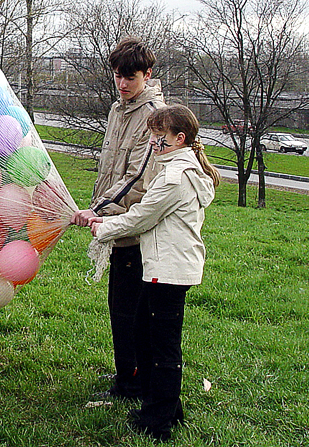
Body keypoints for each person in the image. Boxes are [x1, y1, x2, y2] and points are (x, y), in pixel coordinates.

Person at [89, 104, 220, 441]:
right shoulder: (175, 168)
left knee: (161, 345)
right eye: (152, 135)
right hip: (163, 267)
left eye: (160, 137)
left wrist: (101, 226)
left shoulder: (176, 177)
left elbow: (142, 217)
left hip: (169, 270)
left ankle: (158, 420)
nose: (153, 143)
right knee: (145, 334)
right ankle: (164, 406)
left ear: (180, 138)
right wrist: (106, 221)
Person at [72, 37, 165, 399]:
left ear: (148, 74)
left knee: (131, 311)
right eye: (118, 76)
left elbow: (137, 176)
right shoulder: (117, 110)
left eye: (131, 77)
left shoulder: (154, 115)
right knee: (121, 308)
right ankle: (128, 374)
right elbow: (109, 167)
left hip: (134, 227)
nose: (123, 84)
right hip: (113, 224)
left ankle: (134, 382)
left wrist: (97, 212)